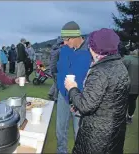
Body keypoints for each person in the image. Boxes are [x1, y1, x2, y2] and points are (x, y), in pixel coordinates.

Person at [64, 28, 130, 154]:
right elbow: (107, 99)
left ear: (94, 48)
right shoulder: (119, 66)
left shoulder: (100, 71)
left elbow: (86, 106)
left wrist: (72, 88)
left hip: (97, 136)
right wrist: (79, 102)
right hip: (114, 132)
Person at [56, 21, 92, 153]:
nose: (65, 43)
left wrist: (77, 98)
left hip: (79, 98)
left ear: (77, 36)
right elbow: (60, 71)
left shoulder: (90, 51)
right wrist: (61, 90)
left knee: (79, 132)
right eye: (63, 39)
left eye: (67, 39)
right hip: (63, 96)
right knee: (60, 130)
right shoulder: (65, 49)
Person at [123, 49, 139, 124]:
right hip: (136, 87)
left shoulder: (126, 59)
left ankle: (123, 117)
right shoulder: (128, 59)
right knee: (132, 102)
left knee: (123, 101)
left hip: (125, 85)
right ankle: (129, 117)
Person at [48, 37, 64, 102]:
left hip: (52, 69)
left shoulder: (53, 50)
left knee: (55, 82)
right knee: (58, 84)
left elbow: (50, 59)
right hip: (56, 70)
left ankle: (50, 93)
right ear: (61, 44)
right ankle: (55, 98)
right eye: (63, 43)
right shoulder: (60, 51)